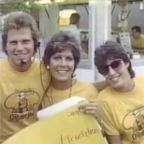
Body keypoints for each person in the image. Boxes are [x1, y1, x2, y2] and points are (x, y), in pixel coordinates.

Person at [0, 11, 50, 143]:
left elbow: (74, 86)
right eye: (13, 42)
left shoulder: (46, 70)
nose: (20, 48)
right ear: (5, 45)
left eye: (25, 41)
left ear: (35, 44)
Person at [94, 41, 144, 144]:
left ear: (126, 62)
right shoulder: (104, 102)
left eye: (115, 64)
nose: (111, 73)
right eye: (105, 69)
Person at [42, 31, 99, 118]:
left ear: (75, 64)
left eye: (69, 59)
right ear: (48, 62)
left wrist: (97, 115)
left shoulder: (88, 91)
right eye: (57, 58)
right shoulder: (40, 92)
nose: (63, 64)